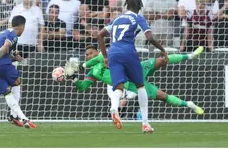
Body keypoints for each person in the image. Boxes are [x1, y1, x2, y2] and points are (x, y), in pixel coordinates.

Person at [66, 45, 204, 115]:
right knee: (162, 96)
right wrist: (74, 78)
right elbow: (82, 87)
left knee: (162, 60)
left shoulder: (104, 55)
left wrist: (81, 65)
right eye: (86, 55)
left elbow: (100, 58)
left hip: (136, 69)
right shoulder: (93, 72)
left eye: (90, 53)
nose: (88, 56)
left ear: (97, 51)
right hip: (131, 83)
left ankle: (191, 56)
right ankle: (189, 105)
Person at [97, 0, 167, 132]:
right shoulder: (138, 18)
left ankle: (114, 107)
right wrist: (162, 50)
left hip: (113, 52)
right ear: (139, 7)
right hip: (128, 51)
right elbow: (150, 37)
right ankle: (145, 123)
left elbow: (100, 35)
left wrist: (105, 57)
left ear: (126, 6)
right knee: (140, 86)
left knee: (118, 86)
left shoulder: (117, 19)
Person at [0, 15, 37, 129]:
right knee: (17, 82)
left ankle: (14, 117)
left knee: (7, 91)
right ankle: (19, 117)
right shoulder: (12, 35)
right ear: (22, 26)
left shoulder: (4, 32)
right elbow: (4, 47)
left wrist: (14, 56)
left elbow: (6, 50)